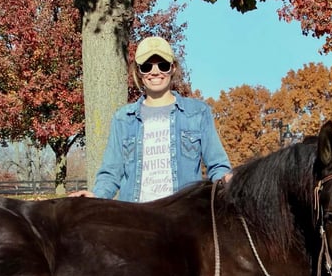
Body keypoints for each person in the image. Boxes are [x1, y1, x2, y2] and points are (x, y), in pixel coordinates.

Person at [72, 36, 232, 202]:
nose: (155, 72)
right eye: (147, 67)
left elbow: (218, 166)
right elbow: (111, 172)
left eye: (162, 65)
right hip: (136, 218)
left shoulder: (198, 113)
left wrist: (228, 182)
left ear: (173, 68)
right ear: (138, 72)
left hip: (184, 217)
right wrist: (95, 196)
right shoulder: (123, 119)